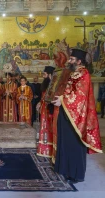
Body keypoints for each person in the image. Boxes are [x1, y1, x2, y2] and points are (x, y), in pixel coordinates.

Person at [51, 49, 102, 183]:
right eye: (70, 58)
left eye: (72, 59)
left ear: (79, 61)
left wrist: (61, 99)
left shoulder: (84, 74)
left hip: (77, 117)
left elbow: (80, 94)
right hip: (65, 112)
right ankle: (66, 170)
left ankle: (76, 174)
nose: (69, 61)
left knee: (74, 144)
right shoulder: (71, 73)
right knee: (65, 142)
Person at [36, 66, 55, 158]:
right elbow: (43, 96)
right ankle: (43, 148)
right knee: (44, 127)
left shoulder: (53, 85)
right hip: (44, 109)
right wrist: (40, 103)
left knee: (50, 128)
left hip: (50, 110)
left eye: (44, 74)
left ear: (50, 75)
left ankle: (50, 149)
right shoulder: (45, 84)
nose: (43, 76)